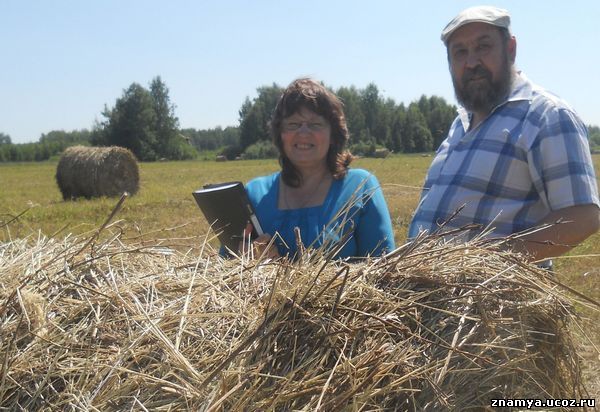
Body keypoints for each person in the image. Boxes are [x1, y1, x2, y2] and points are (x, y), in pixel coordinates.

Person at [408, 6, 600, 264]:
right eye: (460, 52)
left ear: (510, 49)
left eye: (483, 47)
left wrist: (491, 266)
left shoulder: (546, 115)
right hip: (425, 296)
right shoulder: (460, 122)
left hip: (492, 301)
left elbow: (582, 215)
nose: (471, 62)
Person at [243, 78, 395, 260]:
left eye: (315, 124)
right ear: (281, 134)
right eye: (293, 124)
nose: (304, 132)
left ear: (333, 134)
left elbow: (383, 269)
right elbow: (226, 268)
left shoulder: (360, 187)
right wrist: (246, 263)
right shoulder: (254, 193)